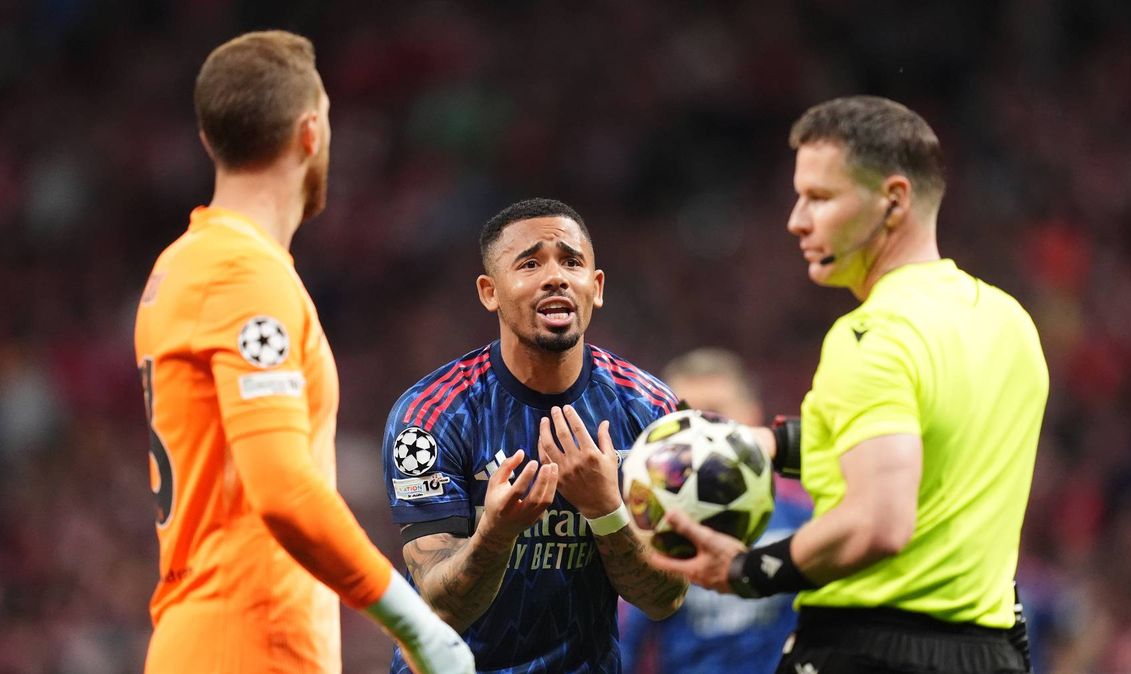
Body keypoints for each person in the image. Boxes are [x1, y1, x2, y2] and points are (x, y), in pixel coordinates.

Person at [651, 96, 1048, 674]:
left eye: (820, 197)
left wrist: (746, 571)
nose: (797, 219)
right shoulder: (1009, 321)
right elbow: (917, 439)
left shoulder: (869, 335)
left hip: (868, 648)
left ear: (894, 200)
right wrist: (770, 445)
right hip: (990, 652)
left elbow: (879, 522)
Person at [133, 31, 472, 674]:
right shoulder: (241, 274)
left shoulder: (182, 267)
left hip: (210, 636)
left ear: (210, 140)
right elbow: (284, 489)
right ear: (311, 133)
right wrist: (419, 627)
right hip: (248, 640)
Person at [380, 197, 689, 673]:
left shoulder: (652, 411)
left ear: (596, 287)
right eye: (530, 264)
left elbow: (664, 598)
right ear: (490, 292)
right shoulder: (431, 416)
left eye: (572, 262)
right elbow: (440, 609)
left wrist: (604, 509)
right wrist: (497, 533)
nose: (555, 277)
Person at [618, 348, 812, 674]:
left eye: (715, 415)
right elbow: (624, 643)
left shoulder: (805, 518)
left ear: (753, 417)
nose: (699, 436)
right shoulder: (648, 529)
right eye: (686, 417)